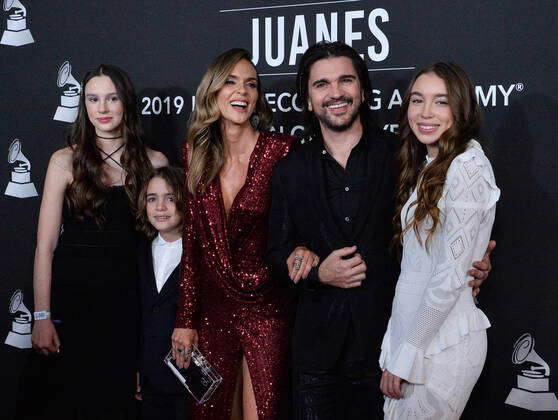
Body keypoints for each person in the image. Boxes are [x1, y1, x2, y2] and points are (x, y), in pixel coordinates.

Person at [267, 42, 493, 419]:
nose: (335, 92)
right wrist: (319, 272)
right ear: (307, 100)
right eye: (321, 85)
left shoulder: (406, 156)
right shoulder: (289, 170)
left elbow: (439, 237)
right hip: (318, 354)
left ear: (362, 89)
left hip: (390, 346)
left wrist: (474, 261)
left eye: (345, 80)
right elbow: (276, 256)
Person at [171, 48, 317, 419]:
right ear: (213, 92)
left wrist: (305, 250)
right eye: (232, 82)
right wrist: (185, 319)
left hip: (268, 307)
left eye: (251, 84)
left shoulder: (282, 150)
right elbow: (193, 246)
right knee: (208, 412)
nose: (243, 91)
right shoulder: (193, 154)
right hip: (212, 311)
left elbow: (303, 226)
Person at [19, 64, 168, 420]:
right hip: (74, 310)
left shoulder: (155, 162)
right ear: (83, 105)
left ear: (126, 103)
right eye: (93, 99)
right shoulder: (64, 161)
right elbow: (45, 247)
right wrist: (42, 316)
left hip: (129, 311)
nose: (102, 108)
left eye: (112, 98)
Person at [379, 62, 500, 419]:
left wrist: (406, 355)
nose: (425, 112)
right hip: (417, 338)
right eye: (418, 100)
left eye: (440, 102)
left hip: (440, 345)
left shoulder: (467, 166)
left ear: (461, 108)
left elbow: (449, 276)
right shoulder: (431, 165)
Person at [136, 167, 187, 420]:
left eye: (170, 197)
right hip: (150, 379)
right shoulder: (140, 252)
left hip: (188, 381)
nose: (160, 207)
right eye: (152, 198)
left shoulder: (198, 252)